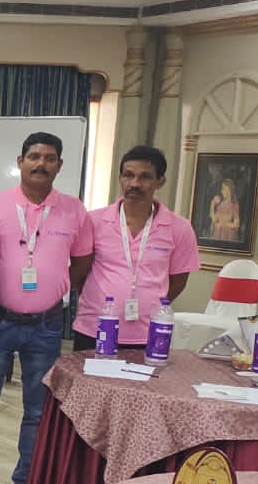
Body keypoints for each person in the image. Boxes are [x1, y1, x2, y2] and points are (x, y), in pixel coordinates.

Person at [0, 132, 93, 484]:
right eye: (34, 156)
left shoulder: (74, 210)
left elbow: (81, 263)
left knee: (37, 411)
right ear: (20, 162)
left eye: (49, 158)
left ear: (59, 165)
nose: (41, 164)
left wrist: (54, 288)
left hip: (46, 326)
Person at [72, 146, 199, 351]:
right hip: (94, 329)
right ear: (120, 178)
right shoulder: (93, 221)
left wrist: (150, 304)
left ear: (160, 181)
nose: (134, 184)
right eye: (128, 175)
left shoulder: (179, 228)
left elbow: (178, 281)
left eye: (145, 177)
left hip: (148, 333)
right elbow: (80, 271)